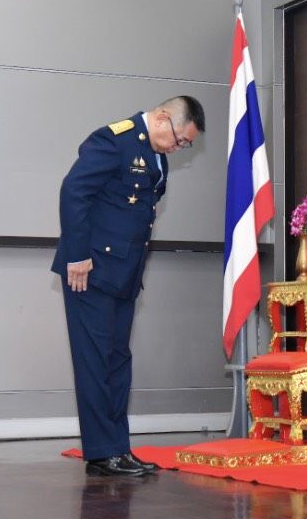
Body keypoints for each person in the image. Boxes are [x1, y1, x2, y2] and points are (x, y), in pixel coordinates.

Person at [52, 96, 205, 476]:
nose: (179, 148)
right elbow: (74, 191)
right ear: (163, 118)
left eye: (186, 145)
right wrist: (77, 256)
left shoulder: (156, 157)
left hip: (124, 273)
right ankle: (101, 452)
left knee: (117, 361)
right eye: (180, 140)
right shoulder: (115, 140)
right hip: (89, 271)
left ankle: (117, 448)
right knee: (94, 362)